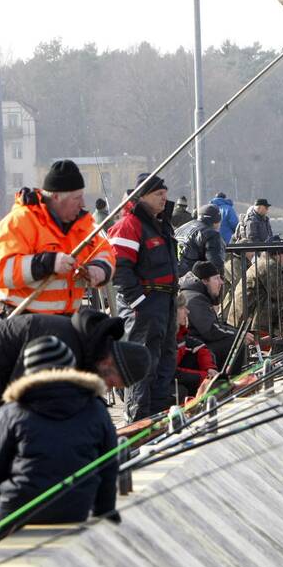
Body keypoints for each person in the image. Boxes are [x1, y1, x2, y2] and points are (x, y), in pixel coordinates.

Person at [0, 336, 118, 542]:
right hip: (76, 510)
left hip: (17, 511)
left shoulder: (13, 411)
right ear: (71, 369)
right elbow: (109, 465)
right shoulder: (96, 408)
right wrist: (105, 510)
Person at [0, 302, 149, 450]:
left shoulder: (81, 346)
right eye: (111, 383)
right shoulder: (61, 347)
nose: (107, 389)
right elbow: (24, 408)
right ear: (108, 363)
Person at [0, 159, 115, 318]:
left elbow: (105, 251)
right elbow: (0, 271)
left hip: (65, 320)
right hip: (19, 318)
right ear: (56, 197)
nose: (82, 203)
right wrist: (48, 263)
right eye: (77, 198)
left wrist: (99, 268)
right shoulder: (18, 222)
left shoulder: (83, 224)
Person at [109, 173, 179, 421]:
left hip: (164, 302)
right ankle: (138, 421)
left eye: (165, 194)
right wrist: (138, 301)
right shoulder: (130, 224)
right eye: (159, 194)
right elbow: (119, 267)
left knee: (165, 360)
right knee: (143, 363)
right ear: (143, 196)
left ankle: (157, 418)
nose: (164, 198)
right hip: (146, 303)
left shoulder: (160, 224)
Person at [179, 261, 253, 375]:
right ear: (204, 281)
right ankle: (231, 380)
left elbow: (214, 325)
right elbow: (210, 330)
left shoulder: (196, 295)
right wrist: (238, 335)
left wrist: (238, 332)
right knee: (235, 343)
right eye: (217, 278)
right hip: (193, 351)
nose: (221, 282)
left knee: (234, 339)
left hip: (196, 345)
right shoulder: (195, 299)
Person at [227, 242, 283, 340]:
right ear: (277, 254)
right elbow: (280, 294)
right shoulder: (268, 265)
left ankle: (282, 338)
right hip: (247, 318)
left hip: (247, 313)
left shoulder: (266, 262)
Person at [174, 296, 216, 401]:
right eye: (183, 308)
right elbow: (170, 371)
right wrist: (203, 376)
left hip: (172, 375)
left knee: (200, 357)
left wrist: (209, 368)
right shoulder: (166, 337)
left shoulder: (179, 333)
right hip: (162, 383)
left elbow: (200, 347)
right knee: (181, 391)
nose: (187, 311)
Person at [176, 203, 226, 277]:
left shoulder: (180, 229)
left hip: (174, 277)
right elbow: (215, 265)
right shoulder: (211, 234)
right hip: (194, 280)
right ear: (216, 221)